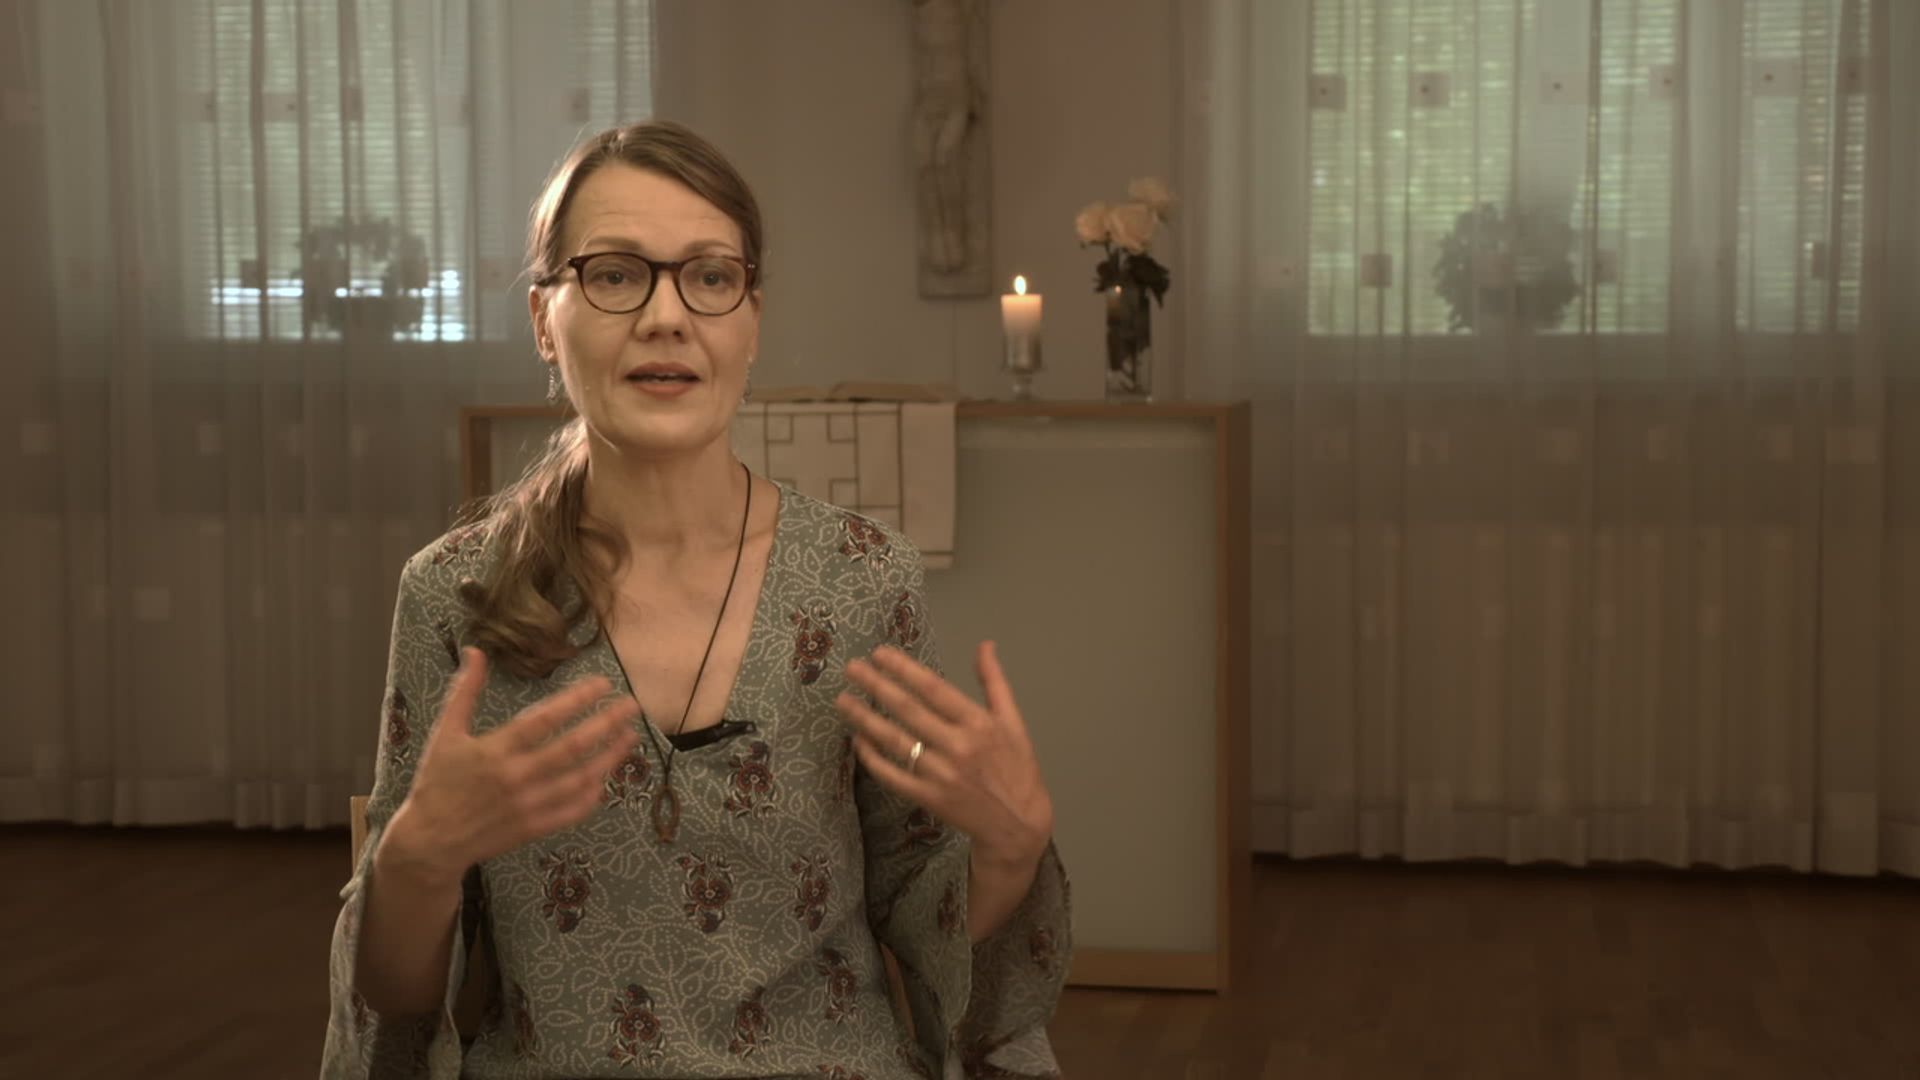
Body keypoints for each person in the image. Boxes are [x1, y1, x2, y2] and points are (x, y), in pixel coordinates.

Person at [320, 120, 1069, 1079]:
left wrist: (1010, 846)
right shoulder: (455, 596)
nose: (667, 316)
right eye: (615, 274)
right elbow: (396, 1002)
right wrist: (415, 864)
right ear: (544, 320)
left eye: (710, 276)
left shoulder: (863, 577)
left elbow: (932, 918)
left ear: (752, 319)